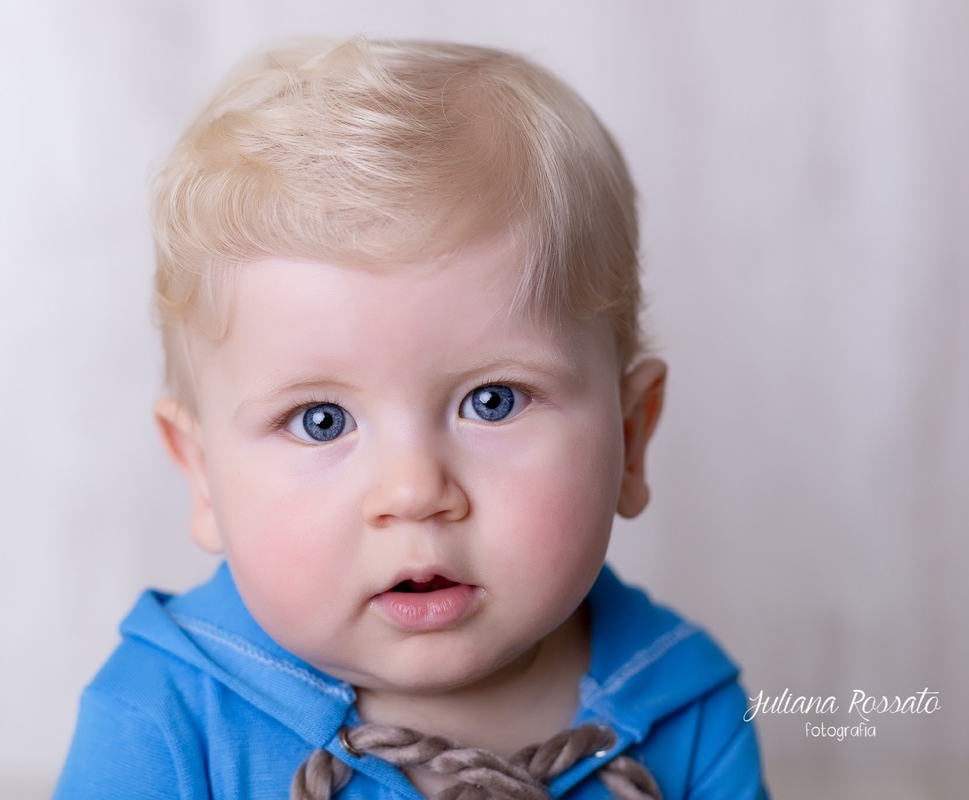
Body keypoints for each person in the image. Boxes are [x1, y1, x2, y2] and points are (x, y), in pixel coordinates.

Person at [54, 37, 769, 799]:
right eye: (322, 420)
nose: (414, 490)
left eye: (491, 401)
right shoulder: (163, 724)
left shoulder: (685, 713)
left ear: (630, 440)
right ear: (201, 474)